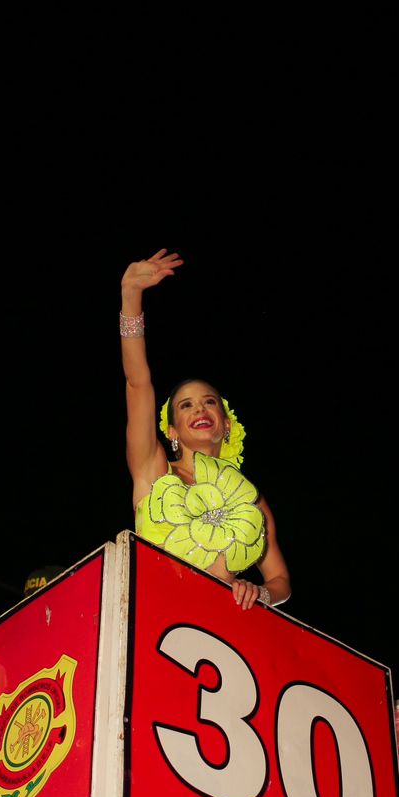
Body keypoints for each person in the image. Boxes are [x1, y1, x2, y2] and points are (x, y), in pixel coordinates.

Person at [119, 248, 290, 610]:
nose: (199, 408)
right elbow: (138, 384)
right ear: (172, 430)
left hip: (210, 630)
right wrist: (131, 297)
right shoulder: (154, 469)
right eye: (186, 405)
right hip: (152, 614)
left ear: (227, 425)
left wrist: (256, 592)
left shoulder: (250, 500)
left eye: (210, 401)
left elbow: (281, 582)